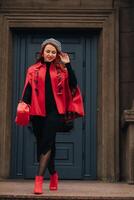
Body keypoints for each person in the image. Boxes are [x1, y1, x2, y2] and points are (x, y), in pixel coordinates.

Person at [15, 38, 84, 194]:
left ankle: (38, 180)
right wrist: (24, 104)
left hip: (55, 113)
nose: (50, 54)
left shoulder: (62, 70)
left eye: (54, 52)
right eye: (48, 51)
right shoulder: (32, 69)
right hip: (37, 112)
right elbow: (28, 89)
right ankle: (53, 174)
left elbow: (73, 84)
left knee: (46, 144)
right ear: (42, 52)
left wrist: (68, 64)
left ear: (57, 54)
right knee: (45, 145)